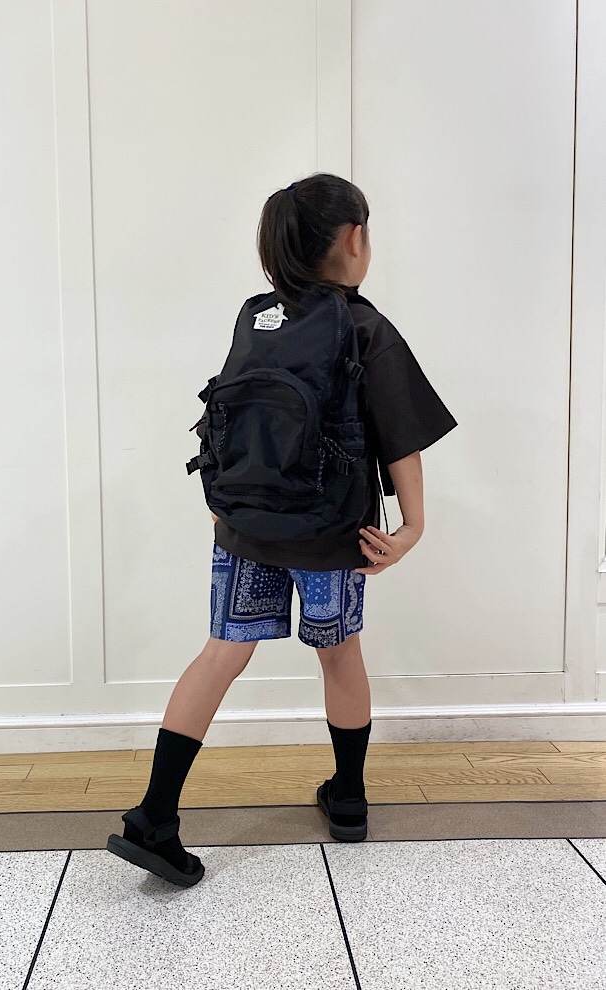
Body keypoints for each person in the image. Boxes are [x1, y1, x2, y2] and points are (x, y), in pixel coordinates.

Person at [106, 173, 457, 887]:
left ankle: (154, 816)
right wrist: (412, 526)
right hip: (333, 536)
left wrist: (224, 502)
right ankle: (348, 799)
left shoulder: (257, 319)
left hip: (246, 529)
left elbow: (228, 419)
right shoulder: (365, 327)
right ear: (354, 239)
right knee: (339, 655)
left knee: (219, 655)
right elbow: (402, 439)